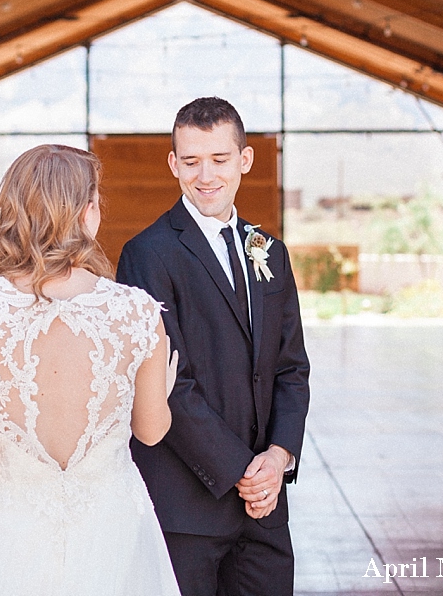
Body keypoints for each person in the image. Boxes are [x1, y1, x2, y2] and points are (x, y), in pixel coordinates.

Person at [0, 144, 182, 596]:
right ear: (88, 212)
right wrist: (163, 387)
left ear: (15, 212)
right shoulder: (137, 312)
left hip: (5, 535)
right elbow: (152, 432)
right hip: (111, 529)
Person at [116, 97, 310, 596]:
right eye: (191, 160)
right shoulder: (146, 254)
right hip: (188, 507)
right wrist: (241, 470)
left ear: (244, 160)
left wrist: (278, 457)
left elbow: (290, 368)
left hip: (264, 508)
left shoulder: (270, 251)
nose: (206, 175)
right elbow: (166, 383)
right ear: (173, 163)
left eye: (219, 160)